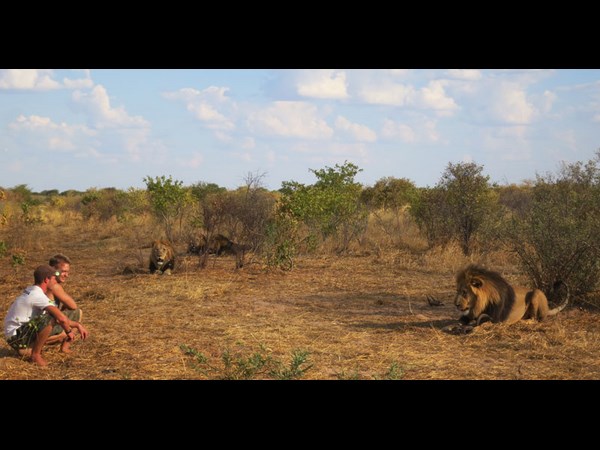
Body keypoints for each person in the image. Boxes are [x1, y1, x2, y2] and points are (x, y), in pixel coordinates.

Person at [3, 265, 89, 366]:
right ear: (46, 280)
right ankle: (35, 354)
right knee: (50, 319)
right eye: (54, 278)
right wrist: (69, 331)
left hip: (20, 331)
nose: (56, 281)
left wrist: (77, 324)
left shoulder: (33, 290)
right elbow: (60, 318)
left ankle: (33, 348)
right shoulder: (37, 296)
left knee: (71, 314)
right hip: (17, 336)